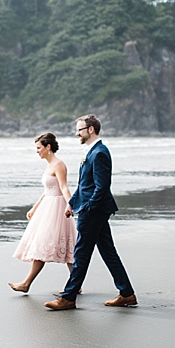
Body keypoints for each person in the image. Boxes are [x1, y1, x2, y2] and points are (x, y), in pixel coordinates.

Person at [45, 114, 137, 310]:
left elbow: (102, 187)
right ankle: (127, 293)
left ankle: (68, 297)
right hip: (93, 209)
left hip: (94, 211)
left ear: (91, 130)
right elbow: (84, 185)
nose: (77, 133)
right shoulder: (92, 151)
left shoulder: (100, 153)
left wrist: (87, 208)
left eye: (79, 129)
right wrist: (72, 203)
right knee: (108, 252)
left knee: (81, 254)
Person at [8, 133, 77, 293]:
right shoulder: (49, 165)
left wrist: (70, 204)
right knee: (64, 247)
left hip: (57, 208)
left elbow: (64, 187)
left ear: (48, 147)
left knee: (47, 244)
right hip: (47, 206)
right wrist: (35, 207)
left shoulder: (59, 165)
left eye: (39, 148)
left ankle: (26, 284)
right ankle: (76, 284)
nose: (37, 151)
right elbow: (47, 190)